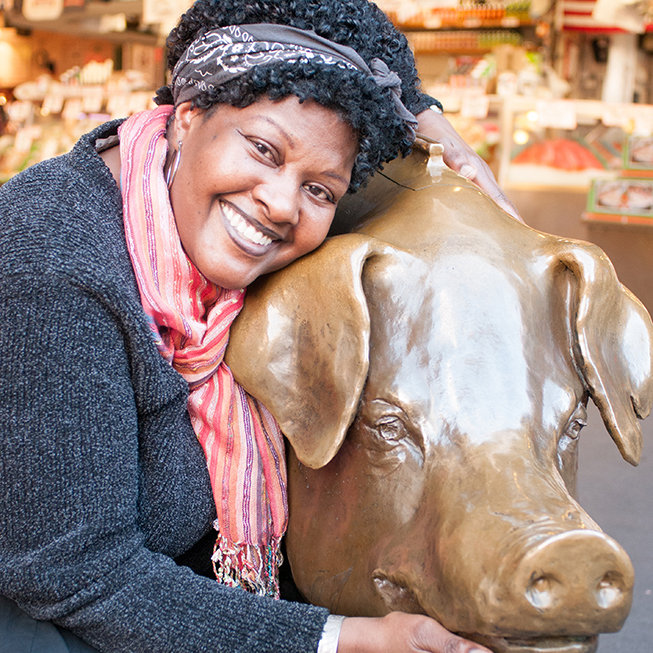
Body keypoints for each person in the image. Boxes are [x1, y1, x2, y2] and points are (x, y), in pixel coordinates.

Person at [0, 1, 503, 651]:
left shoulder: (201, 238)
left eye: (321, 189)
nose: (280, 202)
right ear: (186, 117)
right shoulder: (51, 262)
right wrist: (342, 638)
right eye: (263, 149)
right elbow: (78, 574)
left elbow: (344, 48)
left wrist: (434, 124)